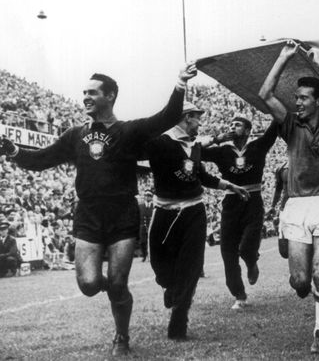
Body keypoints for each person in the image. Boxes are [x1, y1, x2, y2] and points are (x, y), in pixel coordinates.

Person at [0, 66, 196, 355]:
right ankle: (115, 294)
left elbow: (166, 117)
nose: (86, 98)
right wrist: (14, 152)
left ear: (110, 96)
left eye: (92, 93)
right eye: (84, 93)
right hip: (89, 215)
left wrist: (180, 84)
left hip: (122, 215)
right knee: (89, 284)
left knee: (118, 283)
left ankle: (122, 337)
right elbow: (42, 160)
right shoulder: (74, 135)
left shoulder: (128, 131)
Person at [259, 40, 319, 354]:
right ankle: (297, 263)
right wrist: (284, 57)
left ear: (318, 101)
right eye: (296, 98)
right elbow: (265, 95)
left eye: (302, 98)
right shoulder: (289, 125)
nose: (296, 102)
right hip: (297, 206)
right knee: (300, 282)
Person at [145, 101, 249, 340]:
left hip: (194, 210)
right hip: (164, 211)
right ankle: (169, 285)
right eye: (197, 118)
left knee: (191, 268)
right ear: (186, 117)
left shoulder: (195, 146)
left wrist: (229, 185)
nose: (200, 122)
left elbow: (202, 176)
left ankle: (179, 322)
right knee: (160, 266)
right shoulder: (159, 143)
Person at [202, 117, 278, 309]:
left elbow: (274, 129)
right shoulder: (222, 151)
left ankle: (252, 263)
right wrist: (216, 139)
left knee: (246, 248)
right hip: (231, 202)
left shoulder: (257, 147)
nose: (231, 127)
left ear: (247, 130)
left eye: (237, 125)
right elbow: (196, 152)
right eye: (230, 124)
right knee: (227, 251)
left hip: (253, 200)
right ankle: (239, 295)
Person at [269, 162, 289, 259]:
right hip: (286, 208)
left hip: (304, 208)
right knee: (284, 251)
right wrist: (272, 206)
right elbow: (278, 189)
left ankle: (300, 271)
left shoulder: (307, 164)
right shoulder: (282, 168)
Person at [137, 189, 153, 262]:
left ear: (151, 197)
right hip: (142, 227)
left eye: (149, 196)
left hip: (151, 227)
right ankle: (144, 256)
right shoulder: (140, 206)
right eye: (146, 195)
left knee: (151, 242)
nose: (147, 197)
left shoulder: (154, 206)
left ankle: (151, 256)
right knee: (142, 242)